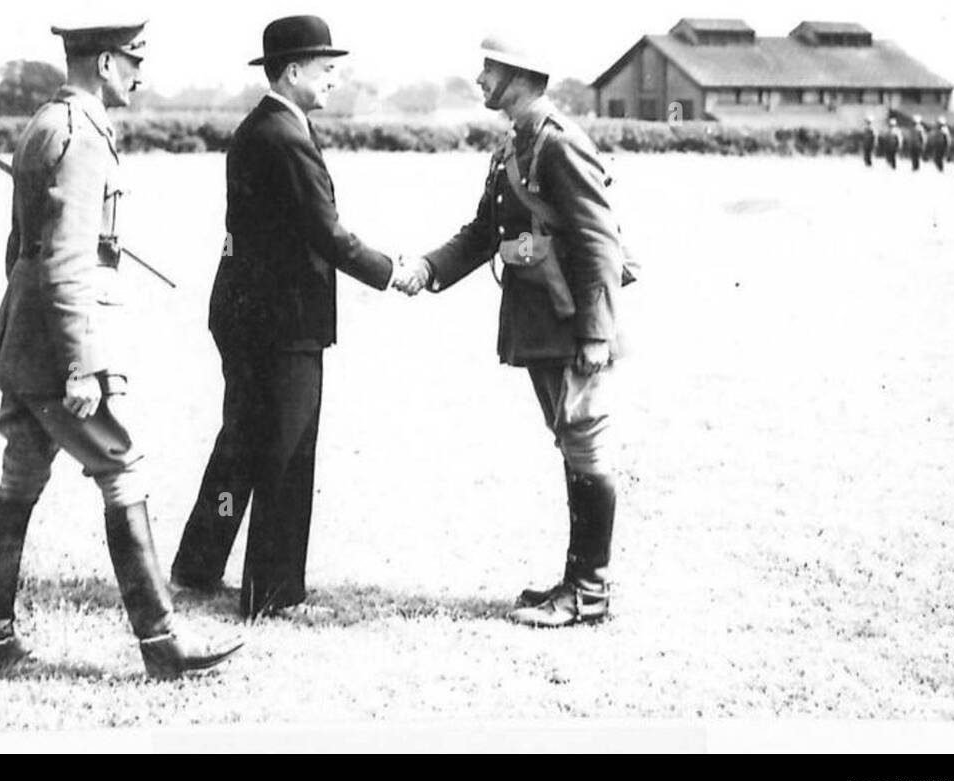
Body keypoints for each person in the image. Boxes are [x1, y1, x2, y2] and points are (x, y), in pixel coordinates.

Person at [0, 21, 242, 679]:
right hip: (62, 341)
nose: (140, 73)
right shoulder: (80, 137)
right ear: (103, 61)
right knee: (121, 469)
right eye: (133, 60)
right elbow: (65, 258)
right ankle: (163, 649)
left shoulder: (48, 123)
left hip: (28, 334)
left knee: (21, 476)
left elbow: (21, 249)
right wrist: (79, 364)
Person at [169, 15, 409, 619]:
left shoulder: (267, 126)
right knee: (286, 449)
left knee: (243, 443)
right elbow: (325, 231)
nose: (335, 79)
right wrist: (392, 271)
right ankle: (272, 591)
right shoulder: (282, 135)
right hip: (280, 322)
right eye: (327, 69)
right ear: (294, 70)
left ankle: (198, 562)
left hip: (249, 313)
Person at [394, 35, 633, 627]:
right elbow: (483, 232)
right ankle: (578, 582)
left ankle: (589, 590)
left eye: (489, 68)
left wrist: (597, 334)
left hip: (571, 323)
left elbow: (599, 238)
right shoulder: (516, 143)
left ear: (519, 74)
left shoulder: (556, 142)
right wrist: (427, 268)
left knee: (585, 442)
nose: (479, 79)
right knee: (570, 443)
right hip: (541, 320)